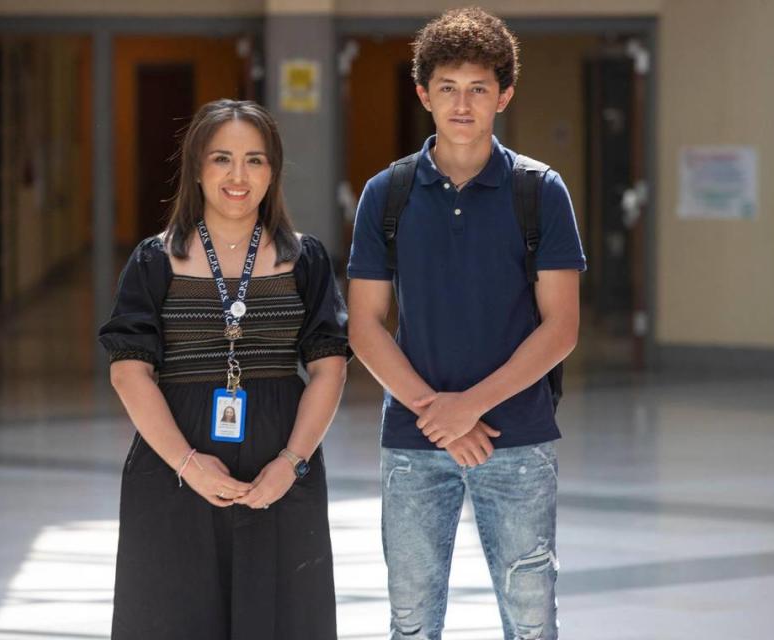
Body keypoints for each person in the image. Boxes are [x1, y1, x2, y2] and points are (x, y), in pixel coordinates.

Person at [347, 8, 586, 640]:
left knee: (533, 623)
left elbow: (561, 327)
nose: (462, 103)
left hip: (520, 440)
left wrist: (469, 410)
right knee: (411, 622)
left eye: (479, 88)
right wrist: (437, 414)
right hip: (412, 440)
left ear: (504, 95)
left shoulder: (539, 191)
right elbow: (365, 325)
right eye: (448, 88)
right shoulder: (386, 194)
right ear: (423, 93)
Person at [98, 99, 349, 639]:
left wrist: (291, 463)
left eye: (255, 160)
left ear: (273, 170)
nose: (239, 176)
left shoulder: (305, 260)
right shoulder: (154, 260)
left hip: (281, 467)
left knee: (284, 620)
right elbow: (128, 372)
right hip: (174, 469)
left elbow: (330, 369)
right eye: (222, 159)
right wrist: (188, 464)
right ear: (196, 168)